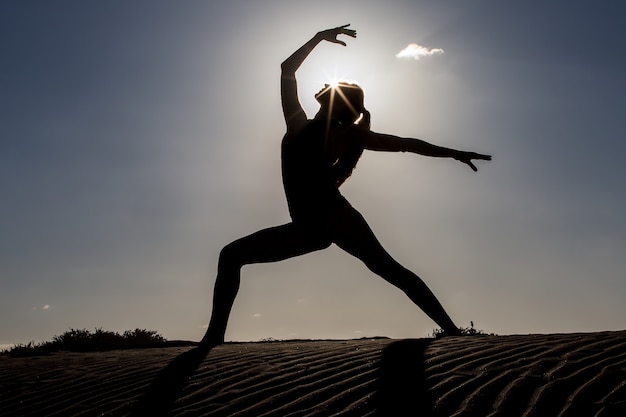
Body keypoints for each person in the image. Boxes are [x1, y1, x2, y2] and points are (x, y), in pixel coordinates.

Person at [201, 25, 491, 346]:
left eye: (332, 85)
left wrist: (454, 154)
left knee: (388, 269)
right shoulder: (302, 124)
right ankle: (214, 337)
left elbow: (406, 143)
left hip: (333, 217)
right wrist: (318, 37)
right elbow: (287, 69)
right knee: (232, 256)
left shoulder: (339, 133)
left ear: (337, 103)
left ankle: (452, 332)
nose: (325, 83)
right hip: (309, 226)